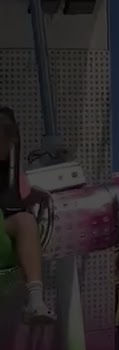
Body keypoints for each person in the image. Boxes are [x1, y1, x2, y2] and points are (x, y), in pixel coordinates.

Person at [0, 107, 55, 323]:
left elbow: (17, 201)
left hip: (7, 230)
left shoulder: (15, 176)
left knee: (26, 221)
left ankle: (35, 301)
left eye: (7, 133)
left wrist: (35, 195)